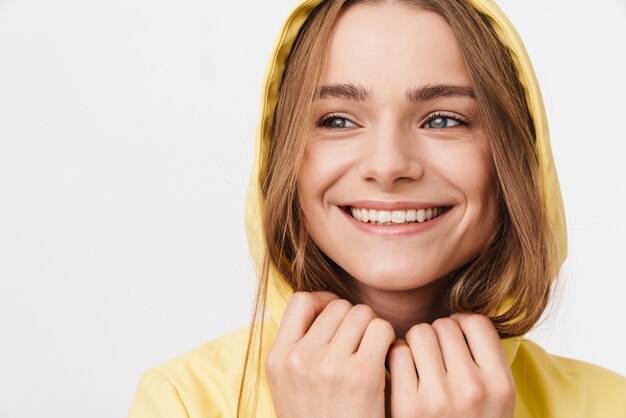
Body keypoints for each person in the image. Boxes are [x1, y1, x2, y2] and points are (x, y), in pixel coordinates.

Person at [128, 0, 626, 417]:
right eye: (339, 120)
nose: (388, 166)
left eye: (444, 119)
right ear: (282, 159)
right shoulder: (185, 402)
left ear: (516, 157)